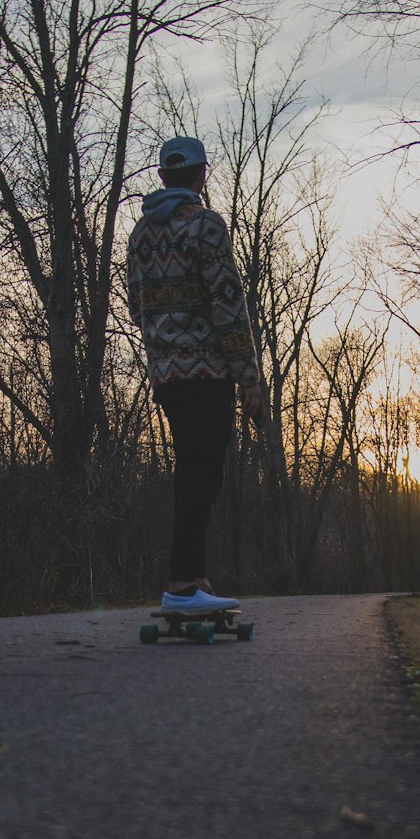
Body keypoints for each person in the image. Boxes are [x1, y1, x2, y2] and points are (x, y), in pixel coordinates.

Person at [127, 135, 264, 612]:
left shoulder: (140, 235)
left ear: (163, 176)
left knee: (190, 472)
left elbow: (134, 307)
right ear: (202, 174)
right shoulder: (206, 227)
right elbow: (228, 306)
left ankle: (194, 578)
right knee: (203, 476)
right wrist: (249, 376)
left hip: (166, 377)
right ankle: (182, 584)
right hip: (207, 374)